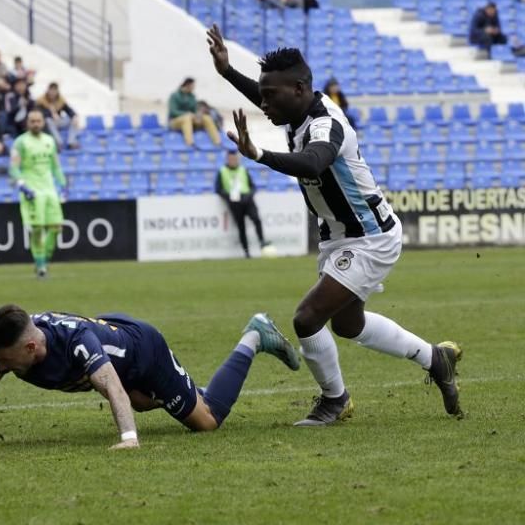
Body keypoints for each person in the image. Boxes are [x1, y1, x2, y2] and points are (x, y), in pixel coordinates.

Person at [206, 24, 463, 425]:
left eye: (270, 97)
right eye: (263, 95)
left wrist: (258, 153)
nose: (264, 105)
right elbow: (271, 98)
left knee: (307, 318)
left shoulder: (326, 123)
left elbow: (312, 162)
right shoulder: (293, 109)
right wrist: (226, 72)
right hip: (340, 238)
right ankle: (437, 359)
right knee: (347, 324)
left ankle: (335, 400)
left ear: (299, 90)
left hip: (368, 237)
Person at [0, 306, 299, 451]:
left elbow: (109, 385)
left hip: (144, 352)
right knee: (141, 401)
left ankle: (254, 335)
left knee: (206, 420)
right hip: (119, 349)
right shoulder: (17, 347)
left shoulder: (76, 343)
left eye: (3, 359)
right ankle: (178, 393)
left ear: (29, 349)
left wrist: (128, 439)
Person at [11, 110, 67, 278]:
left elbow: (55, 167)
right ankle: (41, 267)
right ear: (28, 123)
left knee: (56, 227)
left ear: (43, 122)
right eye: (32, 121)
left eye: (38, 121)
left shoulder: (50, 141)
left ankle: (44, 259)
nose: (36, 124)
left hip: (49, 189)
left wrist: (63, 184)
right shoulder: (20, 142)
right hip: (32, 190)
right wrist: (21, 184)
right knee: (37, 229)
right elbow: (13, 167)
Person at [215, 150, 272, 258]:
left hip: (247, 200)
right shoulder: (222, 171)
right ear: (227, 159)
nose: (233, 160)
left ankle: (262, 241)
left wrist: (249, 195)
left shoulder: (243, 169)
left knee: (256, 219)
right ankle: (246, 252)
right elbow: (218, 189)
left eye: (235, 158)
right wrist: (228, 196)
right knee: (241, 227)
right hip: (234, 203)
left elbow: (253, 186)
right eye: (231, 158)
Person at [168, 77, 221, 147]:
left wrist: (199, 114)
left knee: (206, 118)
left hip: (190, 120)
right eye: (193, 85)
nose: (194, 87)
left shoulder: (192, 96)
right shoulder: (175, 95)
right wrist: (187, 114)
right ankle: (190, 143)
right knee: (187, 117)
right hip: (174, 121)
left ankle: (217, 142)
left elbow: (194, 111)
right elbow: (173, 112)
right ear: (188, 85)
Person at [36, 82, 80, 150]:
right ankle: (59, 142)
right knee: (48, 120)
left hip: (58, 121)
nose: (53, 92)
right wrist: (51, 113)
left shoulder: (60, 100)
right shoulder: (41, 100)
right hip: (48, 124)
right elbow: (39, 113)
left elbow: (69, 110)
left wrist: (74, 116)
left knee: (72, 119)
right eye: (51, 90)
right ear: (48, 90)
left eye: (54, 90)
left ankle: (71, 142)